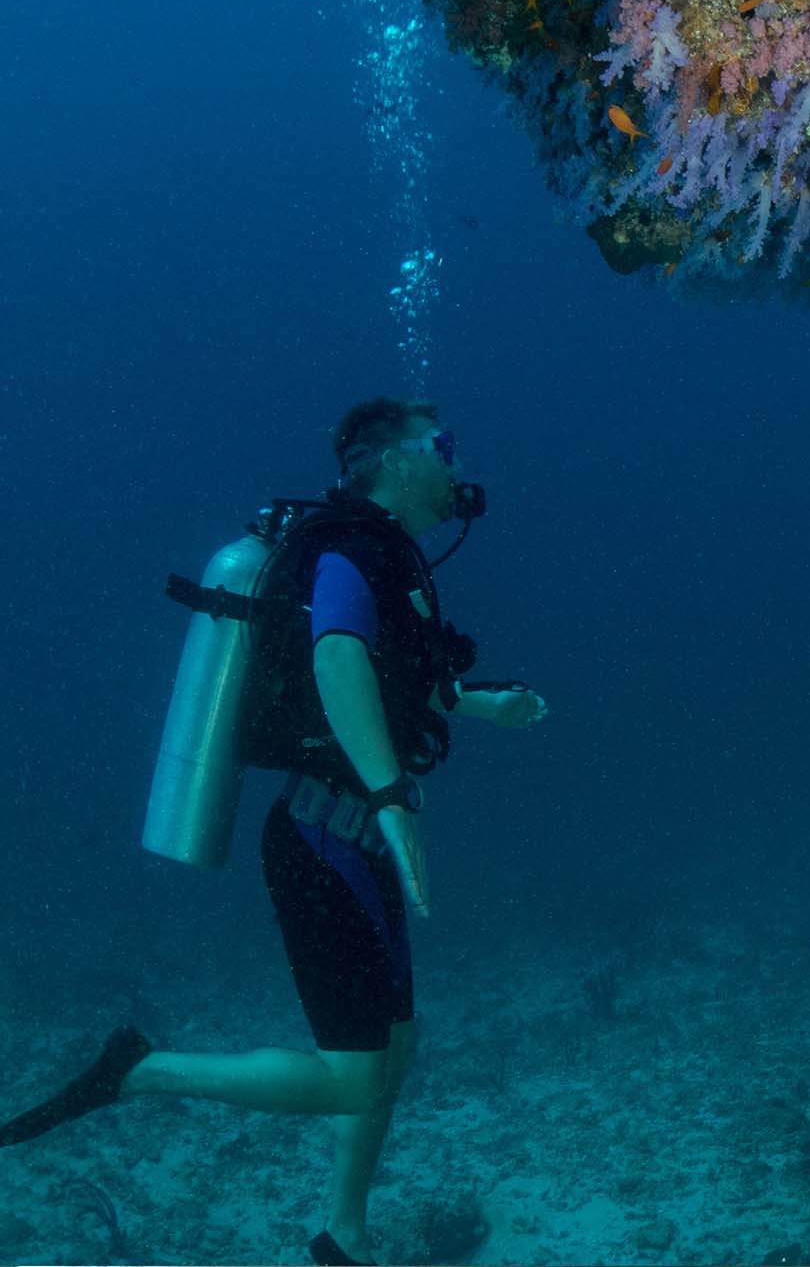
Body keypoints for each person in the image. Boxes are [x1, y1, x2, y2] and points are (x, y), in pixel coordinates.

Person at [0, 399, 548, 1267]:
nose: (454, 462)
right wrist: (392, 798)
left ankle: (344, 1234)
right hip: (323, 842)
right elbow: (335, 656)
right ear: (390, 461)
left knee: (394, 1049)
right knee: (357, 1075)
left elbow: (404, 685)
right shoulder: (349, 545)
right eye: (440, 446)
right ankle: (136, 1070)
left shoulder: (393, 560)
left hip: (353, 842)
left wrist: (488, 704)